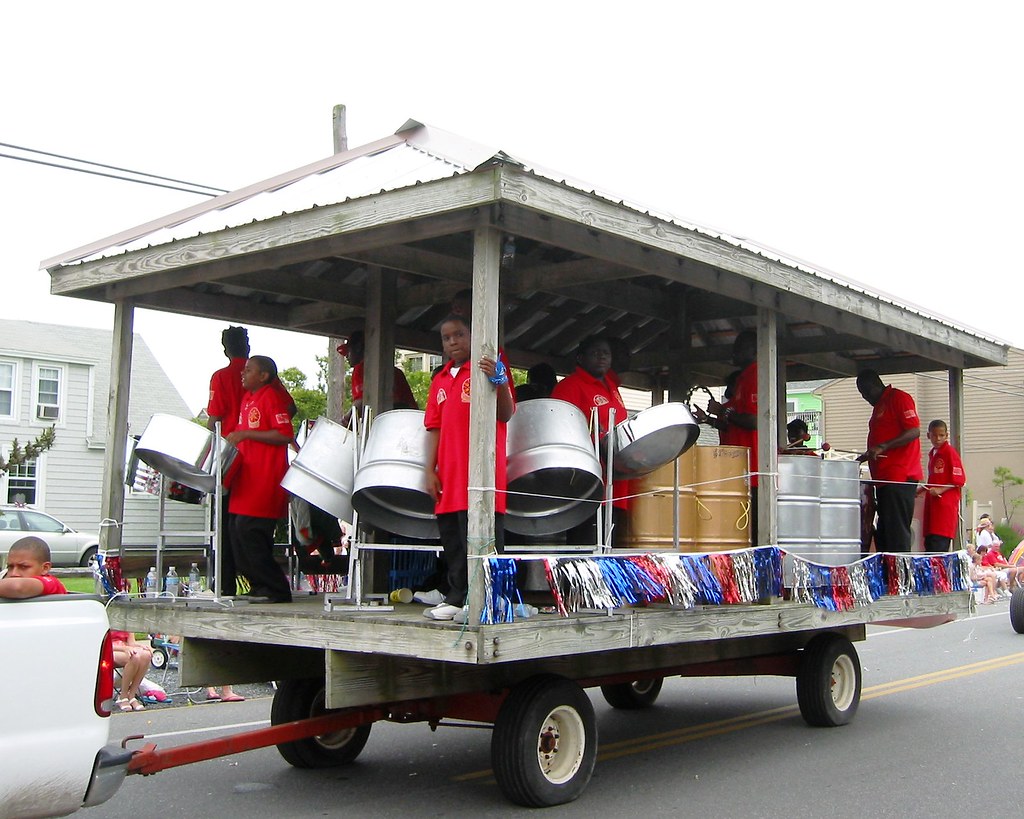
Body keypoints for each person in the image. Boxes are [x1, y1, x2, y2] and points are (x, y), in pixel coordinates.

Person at [423, 313, 515, 620]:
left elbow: (506, 412)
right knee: (453, 538)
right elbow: (433, 427)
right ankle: (458, 596)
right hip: (449, 473)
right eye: (447, 338)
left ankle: (491, 599)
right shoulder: (440, 379)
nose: (453, 342)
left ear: (473, 335)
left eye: (459, 335)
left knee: (483, 536)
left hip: (481, 471)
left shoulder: (488, 367)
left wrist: (499, 380)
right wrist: (428, 469)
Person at [225, 355, 294, 603]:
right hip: (246, 478)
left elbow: (285, 434)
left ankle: (276, 588)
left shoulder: (271, 397)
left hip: (264, 477)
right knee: (235, 530)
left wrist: (245, 433)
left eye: (249, 370)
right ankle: (258, 586)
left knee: (251, 530)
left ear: (263, 376)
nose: (243, 373)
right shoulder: (247, 399)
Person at [550, 335, 631, 545]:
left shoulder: (612, 386)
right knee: (585, 546)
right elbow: (559, 426)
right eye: (595, 353)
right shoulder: (570, 386)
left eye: (606, 353)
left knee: (610, 546)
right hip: (586, 483)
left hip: (614, 482)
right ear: (580, 358)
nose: (602, 357)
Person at [855, 369, 922, 552]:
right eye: (862, 394)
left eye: (867, 392)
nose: (865, 397)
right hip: (884, 480)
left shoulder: (899, 398)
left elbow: (913, 431)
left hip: (898, 477)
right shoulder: (879, 406)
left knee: (897, 534)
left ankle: (901, 577)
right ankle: (888, 575)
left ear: (876, 385)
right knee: (884, 534)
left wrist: (883, 446)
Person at [707, 331, 760, 542]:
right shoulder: (743, 379)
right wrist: (711, 419)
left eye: (739, 348)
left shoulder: (755, 375)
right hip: (737, 469)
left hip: (753, 469)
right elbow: (731, 424)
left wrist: (722, 411)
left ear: (754, 350)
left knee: (751, 532)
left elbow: (754, 421)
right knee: (737, 530)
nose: (734, 352)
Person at [338, 329, 418, 425]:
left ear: (358, 348)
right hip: (410, 425)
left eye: (348, 351)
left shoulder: (362, 369)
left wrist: (346, 419)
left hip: (389, 426)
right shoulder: (396, 371)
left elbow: (361, 402)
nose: (346, 356)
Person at [918, 419, 966, 553]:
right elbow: (934, 479)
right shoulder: (933, 454)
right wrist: (921, 489)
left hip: (944, 508)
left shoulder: (949, 453)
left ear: (946, 435)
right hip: (933, 507)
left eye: (941, 435)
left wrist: (940, 489)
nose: (938, 439)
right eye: (934, 435)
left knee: (939, 545)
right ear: (928, 436)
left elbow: (959, 480)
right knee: (930, 543)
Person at [0, 536, 67, 598]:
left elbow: (17, 587)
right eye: (10, 567)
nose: (13, 574)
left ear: (45, 568)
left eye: (23, 567)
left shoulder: (52, 583)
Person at [111, 630, 153, 711]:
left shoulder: (126, 621)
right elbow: (100, 643)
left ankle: (131, 695)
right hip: (109, 650)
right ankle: (123, 696)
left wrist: (141, 646)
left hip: (125, 648)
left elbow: (131, 643)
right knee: (134, 657)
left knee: (146, 655)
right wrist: (124, 648)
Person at [978, 519, 1022, 592]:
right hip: (996, 568)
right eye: (989, 525)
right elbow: (996, 564)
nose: (991, 527)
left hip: (1000, 567)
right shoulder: (985, 536)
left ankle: (1017, 587)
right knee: (1013, 570)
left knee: (1021, 569)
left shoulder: (992, 536)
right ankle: (1009, 588)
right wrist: (1010, 566)